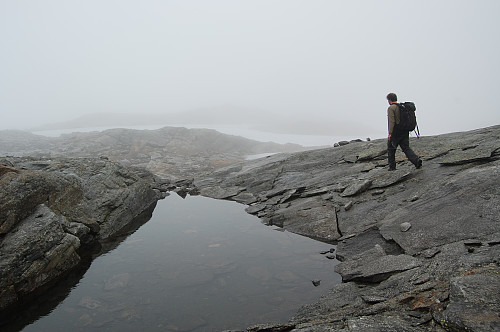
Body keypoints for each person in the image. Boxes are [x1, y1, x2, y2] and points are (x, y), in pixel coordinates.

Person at [386, 93, 422, 171]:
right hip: (405, 131)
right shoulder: (402, 107)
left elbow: (391, 121)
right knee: (406, 147)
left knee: (391, 148)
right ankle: (416, 161)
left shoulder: (391, 108)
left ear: (389, 100)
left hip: (396, 131)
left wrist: (390, 133)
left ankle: (392, 167)